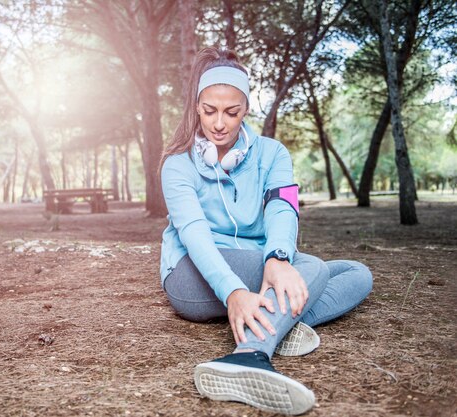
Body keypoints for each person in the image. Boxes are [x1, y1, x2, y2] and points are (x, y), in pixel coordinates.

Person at [159, 47, 373, 415]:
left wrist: (277, 257)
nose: (219, 123)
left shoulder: (273, 153)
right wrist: (234, 292)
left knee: (357, 273)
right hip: (191, 271)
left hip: (256, 261)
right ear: (196, 107)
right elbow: (194, 235)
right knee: (314, 270)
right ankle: (248, 356)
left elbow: (282, 207)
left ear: (247, 110)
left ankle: (273, 325)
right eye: (209, 111)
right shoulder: (177, 164)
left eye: (232, 112)